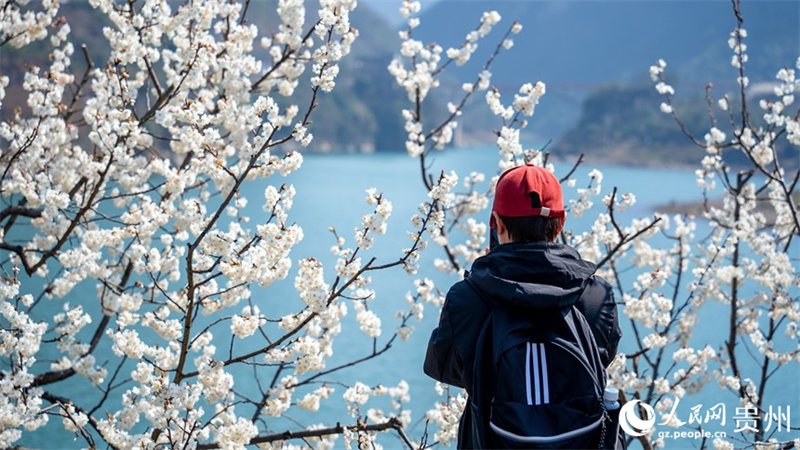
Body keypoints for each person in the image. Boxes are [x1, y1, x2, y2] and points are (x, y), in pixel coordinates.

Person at [423, 163, 622, 449]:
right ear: (561, 223)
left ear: (497, 223)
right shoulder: (596, 295)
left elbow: (441, 366)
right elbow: (604, 355)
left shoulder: (468, 299)